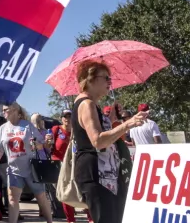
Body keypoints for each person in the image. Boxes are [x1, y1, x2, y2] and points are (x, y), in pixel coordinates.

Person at [72, 61, 148, 223]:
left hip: (103, 174)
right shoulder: (87, 104)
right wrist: (128, 124)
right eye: (105, 78)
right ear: (90, 79)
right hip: (96, 174)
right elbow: (98, 141)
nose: (109, 82)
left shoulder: (91, 104)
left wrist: (110, 119)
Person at [0, 102, 52, 223]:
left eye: (5, 110)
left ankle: (50, 221)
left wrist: (37, 144)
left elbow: (41, 145)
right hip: (14, 170)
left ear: (14, 110)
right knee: (13, 200)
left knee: (41, 198)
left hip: (31, 169)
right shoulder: (3, 128)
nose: (3, 112)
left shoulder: (27, 125)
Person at [49, 110, 78, 223]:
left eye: (70, 116)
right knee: (65, 192)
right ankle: (70, 219)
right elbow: (49, 146)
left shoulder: (77, 130)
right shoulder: (56, 129)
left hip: (74, 164)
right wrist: (47, 142)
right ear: (61, 118)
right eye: (65, 116)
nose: (67, 119)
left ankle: (90, 218)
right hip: (59, 165)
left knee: (79, 190)